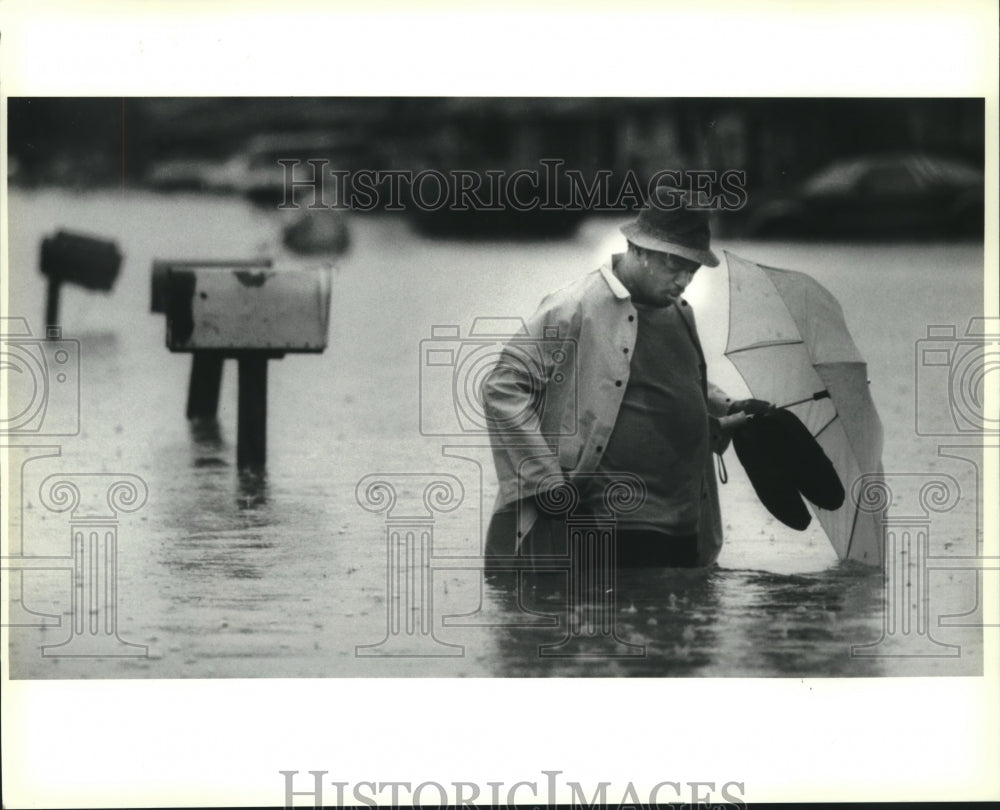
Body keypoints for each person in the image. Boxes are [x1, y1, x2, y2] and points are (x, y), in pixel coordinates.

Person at [481, 187, 771, 571]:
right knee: (609, 626)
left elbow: (666, 382)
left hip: (684, 521)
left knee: (685, 626)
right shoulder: (574, 307)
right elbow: (502, 386)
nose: (685, 279)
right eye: (675, 265)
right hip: (608, 521)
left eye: (694, 268)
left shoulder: (681, 311)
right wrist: (546, 481)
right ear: (638, 249)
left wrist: (728, 407)